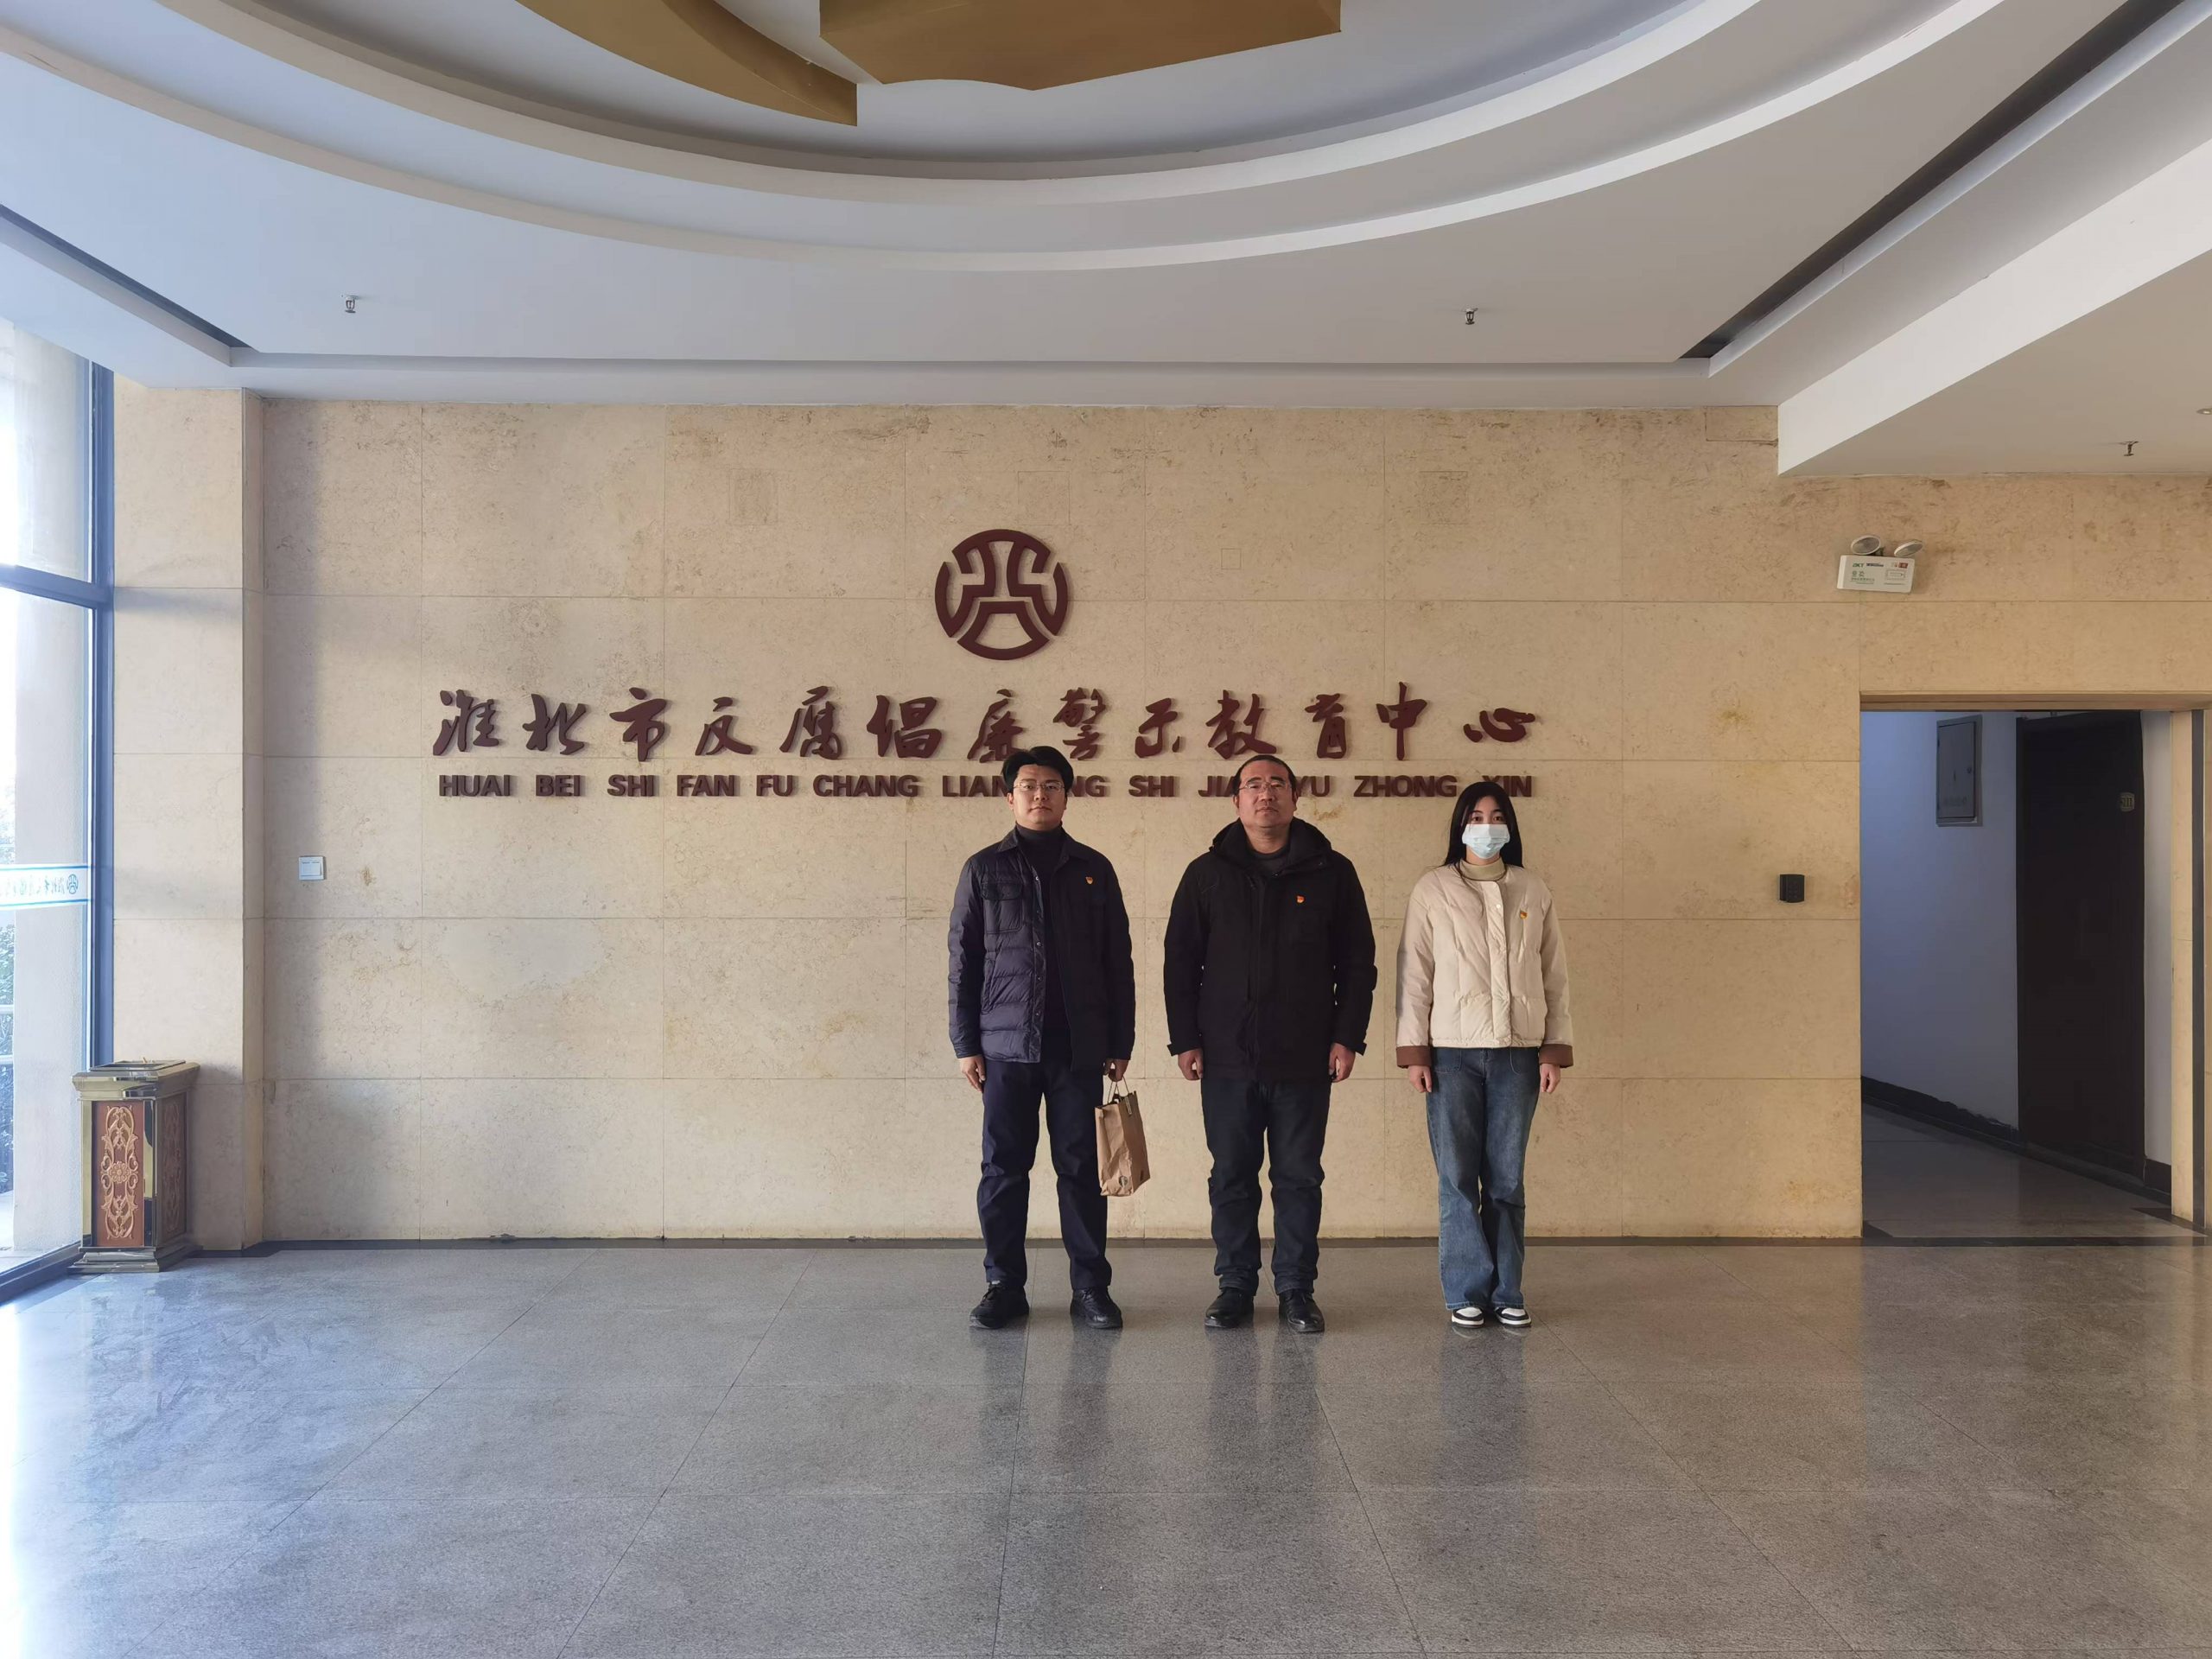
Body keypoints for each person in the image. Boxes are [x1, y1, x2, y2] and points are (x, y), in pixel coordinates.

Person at [1164, 754, 1376, 1333]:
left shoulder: (1333, 872)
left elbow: (1358, 964)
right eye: (1253, 785)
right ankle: (1235, 1286)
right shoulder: (1206, 874)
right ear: (1236, 800)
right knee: (1232, 1175)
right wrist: (1185, 1039)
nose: (1266, 794)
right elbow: (1180, 963)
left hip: (1305, 1056)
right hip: (1226, 1055)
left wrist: (1347, 1036)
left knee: (1299, 1177)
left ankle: (1295, 1289)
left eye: (1277, 783)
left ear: (1295, 797)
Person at [949, 745, 1135, 1332]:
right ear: (1010, 797)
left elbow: (1118, 961)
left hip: (1078, 1047)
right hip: (1005, 1048)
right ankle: (1004, 1286)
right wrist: (965, 1043)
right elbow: (963, 961)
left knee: (1081, 1169)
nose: (1039, 794)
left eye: (1051, 785)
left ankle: (1091, 1288)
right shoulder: (983, 869)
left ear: (1067, 796)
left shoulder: (1094, 868)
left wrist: (1121, 1041)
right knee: (1003, 1169)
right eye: (1028, 785)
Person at [1396, 781, 1573, 1331]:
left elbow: (1554, 973)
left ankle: (1508, 1291)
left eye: (1497, 816)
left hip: (1519, 1055)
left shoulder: (1531, 888)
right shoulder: (1433, 888)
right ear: (1461, 825)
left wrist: (1554, 1048)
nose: (1487, 826)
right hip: (1451, 1054)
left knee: (1506, 1180)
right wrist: (1415, 1052)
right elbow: (1415, 973)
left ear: (1510, 827)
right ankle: (1466, 1291)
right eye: (1476, 816)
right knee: (1456, 1178)